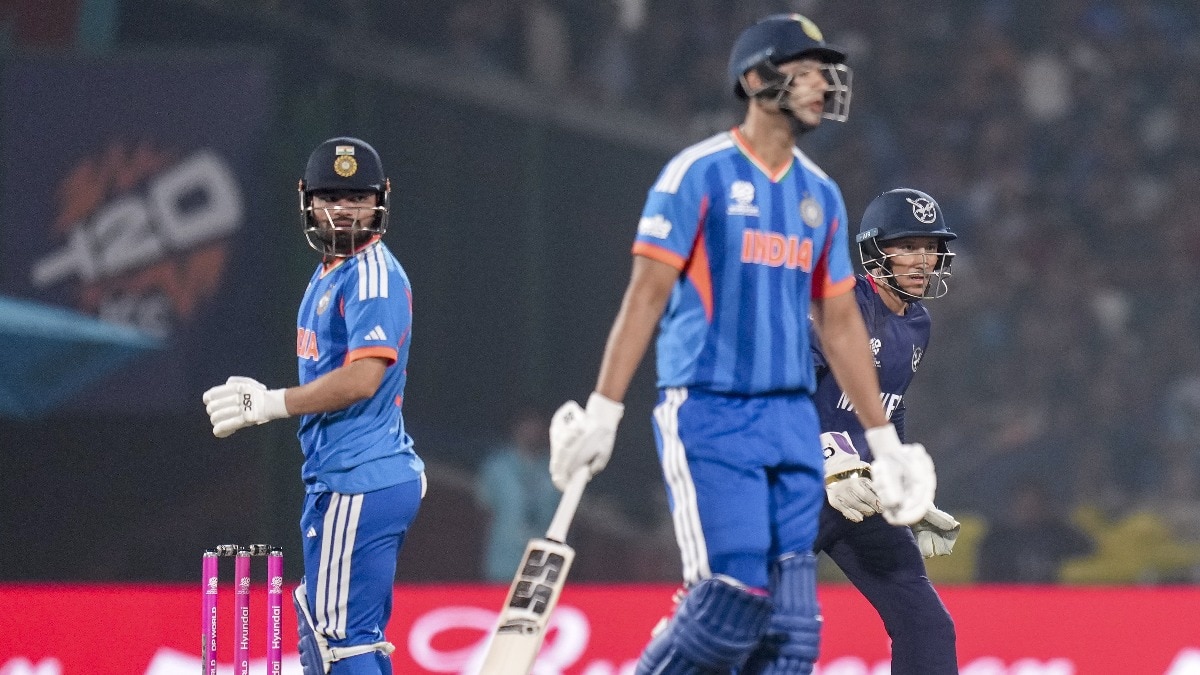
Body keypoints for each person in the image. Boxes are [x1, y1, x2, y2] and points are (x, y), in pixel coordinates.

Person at [545, 14, 937, 674]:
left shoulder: (821, 195)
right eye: (803, 70)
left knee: (793, 639)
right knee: (731, 604)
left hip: (788, 421)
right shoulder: (698, 175)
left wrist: (887, 442)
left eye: (823, 72)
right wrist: (602, 411)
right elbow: (645, 295)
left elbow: (840, 323)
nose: (820, 84)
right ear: (756, 79)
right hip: (711, 409)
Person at [202, 137, 423, 675]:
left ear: (382, 199)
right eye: (329, 196)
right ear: (305, 198)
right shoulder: (330, 271)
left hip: (360, 476)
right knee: (331, 626)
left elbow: (364, 377)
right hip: (346, 475)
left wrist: (271, 403)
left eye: (357, 197)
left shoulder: (372, 273)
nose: (343, 209)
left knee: (338, 641)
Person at [811, 188, 960, 674]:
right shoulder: (837, 305)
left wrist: (899, 483)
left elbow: (885, 409)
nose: (924, 260)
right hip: (797, 487)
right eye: (909, 245)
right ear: (876, 250)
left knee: (926, 623)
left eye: (931, 247)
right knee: (754, 616)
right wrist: (826, 455)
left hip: (860, 493)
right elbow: (782, 393)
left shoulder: (918, 324)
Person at [475, 409, 560, 582]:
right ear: (516, 428)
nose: (533, 431)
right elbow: (483, 513)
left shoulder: (556, 467)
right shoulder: (498, 466)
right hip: (503, 562)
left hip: (543, 565)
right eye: (528, 425)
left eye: (537, 426)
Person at [976, 477, 1094, 583]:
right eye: (1024, 504)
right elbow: (984, 580)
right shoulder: (997, 539)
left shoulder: (1058, 534)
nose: (1029, 509)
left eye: (1034, 504)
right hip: (1007, 600)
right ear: (1013, 505)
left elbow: (1087, 549)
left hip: (1051, 600)